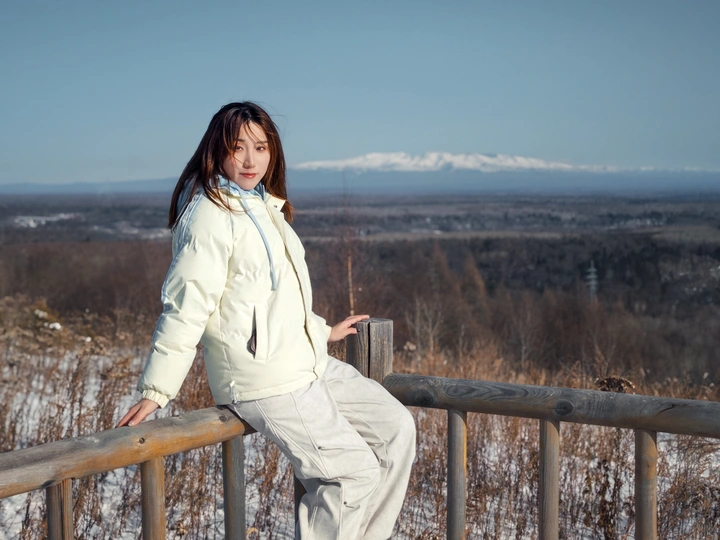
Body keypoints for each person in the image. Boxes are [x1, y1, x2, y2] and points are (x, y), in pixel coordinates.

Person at [117, 102, 416, 539]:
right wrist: (156, 391)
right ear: (216, 150)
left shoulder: (262, 205)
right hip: (265, 378)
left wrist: (321, 331)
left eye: (260, 147)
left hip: (303, 360)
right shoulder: (210, 215)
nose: (250, 159)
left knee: (396, 429)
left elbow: (276, 296)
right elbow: (186, 306)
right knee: (351, 474)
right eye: (237, 147)